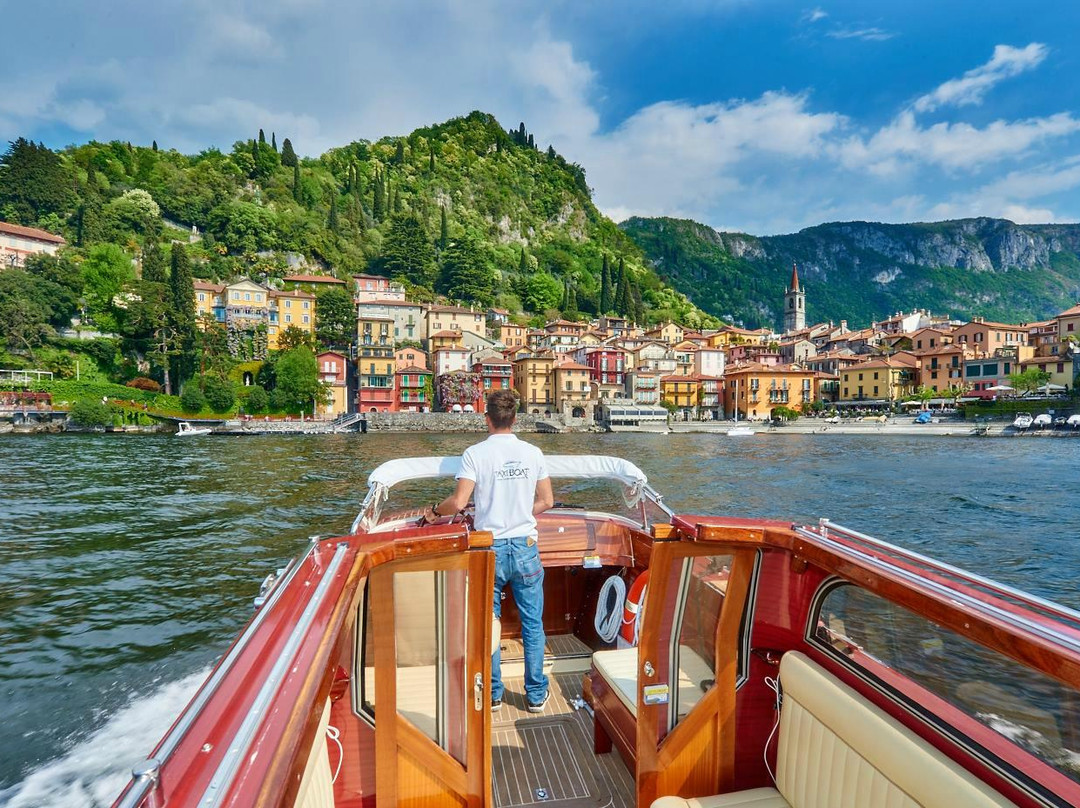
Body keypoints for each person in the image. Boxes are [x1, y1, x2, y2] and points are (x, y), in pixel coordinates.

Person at [426, 389, 554, 713]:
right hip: (525, 547)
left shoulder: (475, 454)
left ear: (487, 419)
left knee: (490, 623)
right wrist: (520, 512)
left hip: (490, 548)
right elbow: (547, 501)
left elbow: (458, 502)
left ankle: (494, 695)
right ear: (515, 418)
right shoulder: (533, 453)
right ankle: (536, 696)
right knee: (533, 625)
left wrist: (432, 512)